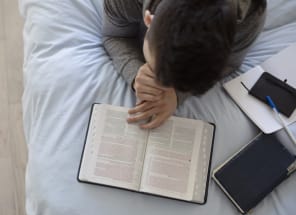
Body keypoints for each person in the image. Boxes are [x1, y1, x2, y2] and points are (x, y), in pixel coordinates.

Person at [103, 0, 267, 129]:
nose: (159, 85)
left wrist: (178, 94)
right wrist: (135, 71)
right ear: (148, 20)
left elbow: (230, 64)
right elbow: (114, 35)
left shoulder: (251, 17)